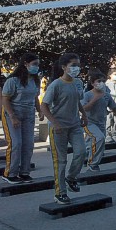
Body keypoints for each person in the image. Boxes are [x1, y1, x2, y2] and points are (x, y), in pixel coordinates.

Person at [41, 53, 88, 204]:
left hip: (74, 125)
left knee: (81, 152)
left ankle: (71, 177)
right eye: (73, 65)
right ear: (64, 67)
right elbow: (44, 106)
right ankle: (60, 192)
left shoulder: (78, 82)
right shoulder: (56, 84)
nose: (76, 68)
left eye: (78, 65)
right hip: (58, 127)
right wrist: (55, 123)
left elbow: (77, 100)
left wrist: (84, 115)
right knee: (60, 160)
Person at [1, 53, 43, 183]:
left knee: (28, 144)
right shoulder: (12, 80)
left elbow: (35, 97)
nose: (37, 67)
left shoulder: (35, 80)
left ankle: (24, 172)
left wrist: (39, 110)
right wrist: (13, 116)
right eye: (34, 64)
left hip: (28, 114)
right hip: (12, 114)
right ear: (25, 64)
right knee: (16, 143)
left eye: (37, 64)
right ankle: (10, 173)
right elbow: (5, 99)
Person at [82, 71, 116, 171]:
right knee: (99, 138)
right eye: (98, 81)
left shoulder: (107, 95)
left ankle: (85, 156)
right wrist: (95, 99)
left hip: (101, 123)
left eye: (103, 81)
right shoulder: (87, 95)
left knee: (93, 143)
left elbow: (115, 109)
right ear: (92, 83)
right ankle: (92, 164)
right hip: (88, 123)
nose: (101, 83)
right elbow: (84, 108)